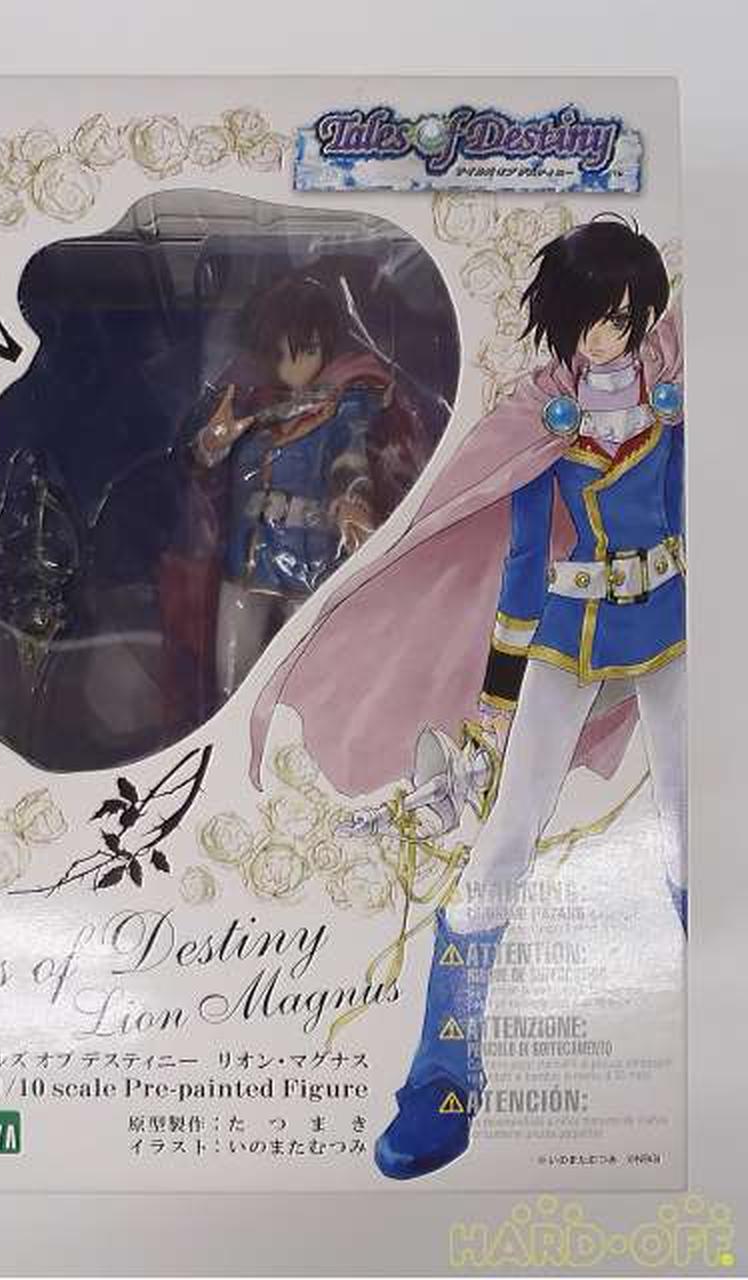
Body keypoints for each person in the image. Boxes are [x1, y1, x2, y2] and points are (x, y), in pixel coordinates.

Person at [248, 216, 685, 1179]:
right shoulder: (542, 418)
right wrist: (494, 705)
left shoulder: (676, 393)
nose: (609, 334)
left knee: (696, 829)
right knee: (501, 843)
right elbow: (523, 567)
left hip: (679, 631)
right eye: (593, 317)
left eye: (625, 317)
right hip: (569, 634)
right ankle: (444, 1072)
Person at [192, 275, 391, 699]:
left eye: (309, 350)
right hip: (246, 560)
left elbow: (350, 461)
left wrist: (354, 505)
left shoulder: (340, 410)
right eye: (280, 353)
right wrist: (214, 440)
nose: (293, 366)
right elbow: (203, 469)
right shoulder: (251, 410)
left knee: (309, 681)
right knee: (232, 680)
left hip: (312, 559)